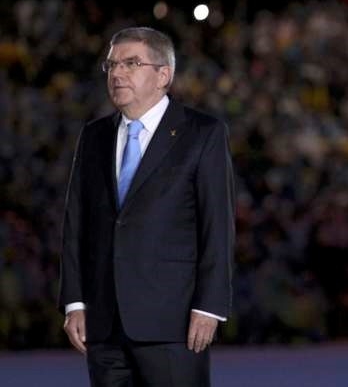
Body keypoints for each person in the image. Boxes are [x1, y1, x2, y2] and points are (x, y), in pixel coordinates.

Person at [58, 26, 235, 386]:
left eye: (131, 63)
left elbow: (217, 225)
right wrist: (75, 302)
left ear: (163, 75)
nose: (117, 73)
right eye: (112, 65)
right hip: (104, 324)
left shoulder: (202, 133)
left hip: (174, 324)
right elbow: (76, 223)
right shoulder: (94, 136)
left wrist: (209, 306)